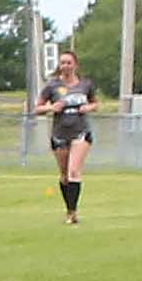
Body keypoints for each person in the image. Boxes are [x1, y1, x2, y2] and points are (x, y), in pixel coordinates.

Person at [36, 46, 96, 221]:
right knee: (64, 175)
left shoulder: (85, 84)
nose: (66, 66)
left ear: (75, 65)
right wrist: (51, 107)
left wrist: (88, 107)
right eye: (62, 63)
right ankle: (69, 209)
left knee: (74, 171)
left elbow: (95, 103)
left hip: (81, 132)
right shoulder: (52, 85)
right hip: (60, 133)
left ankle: (73, 212)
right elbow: (37, 108)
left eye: (69, 63)